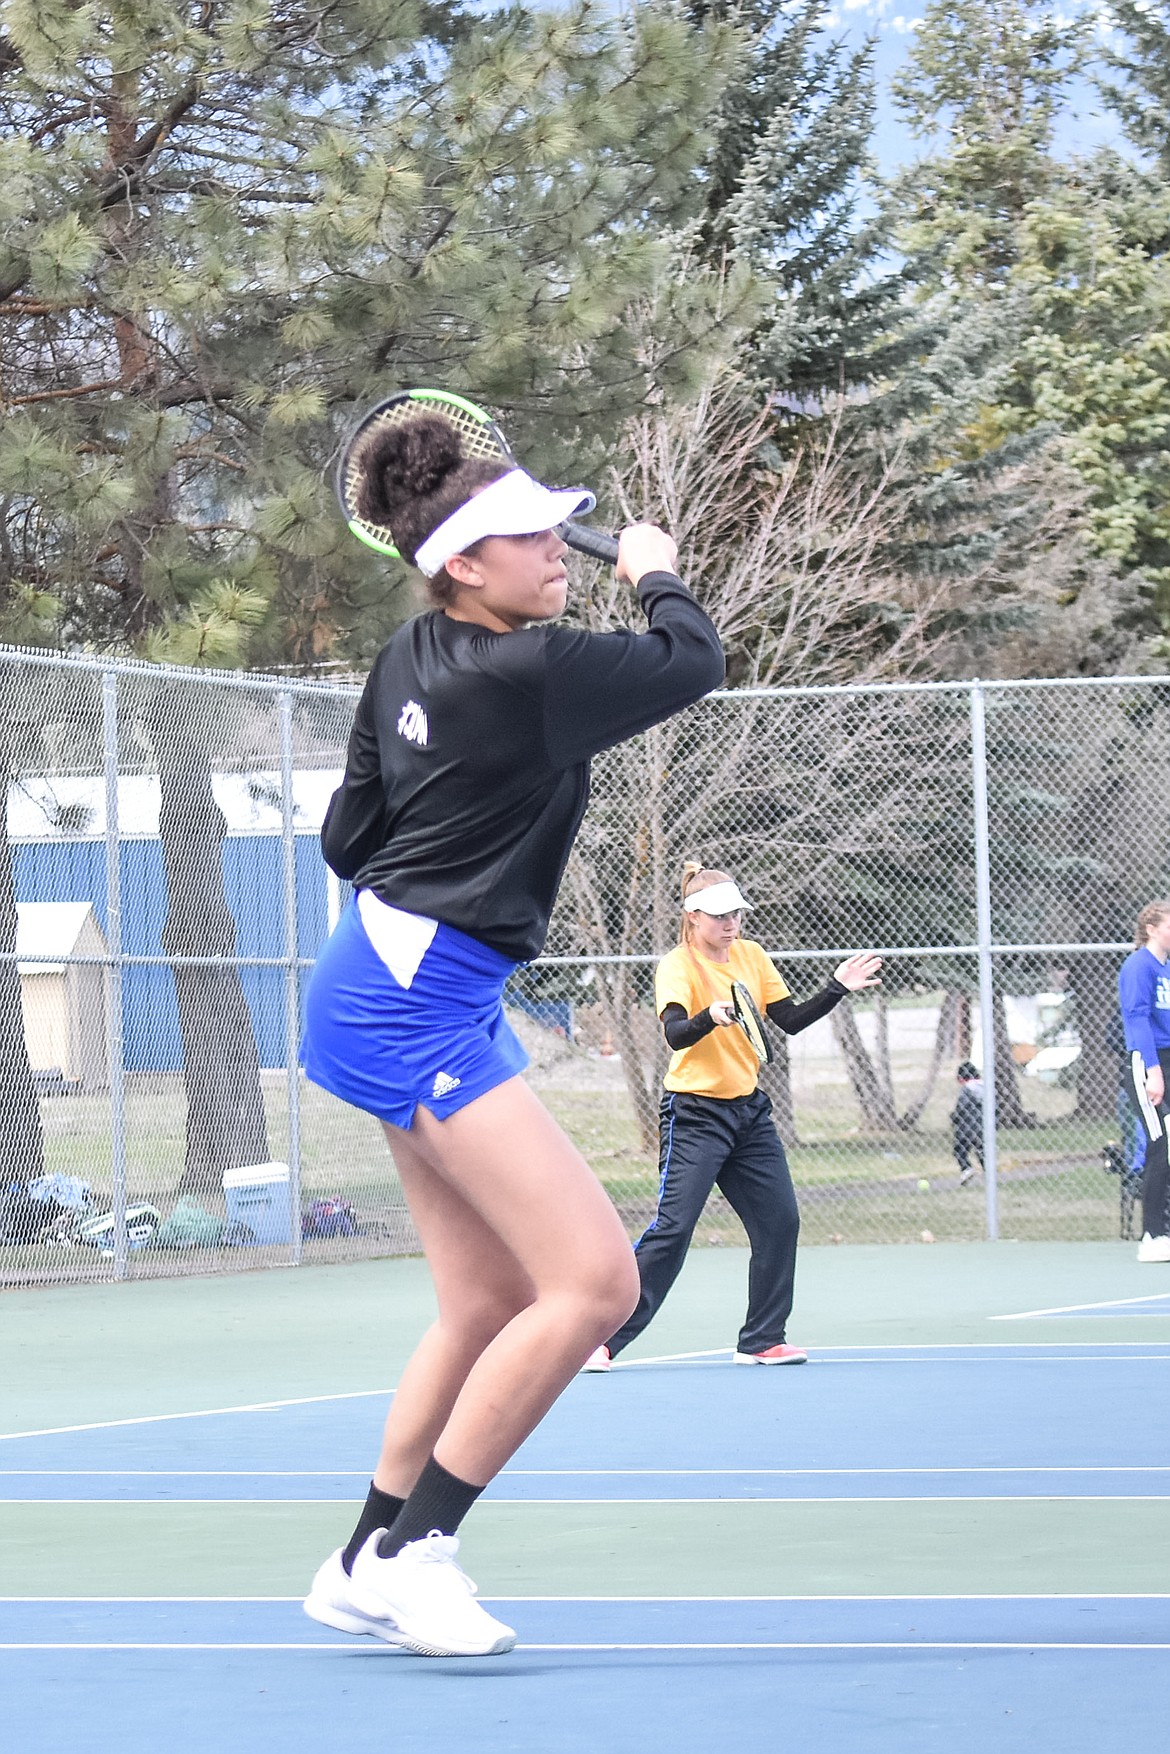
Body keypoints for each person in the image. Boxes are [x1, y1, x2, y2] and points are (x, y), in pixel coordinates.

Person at [296, 412, 723, 1657]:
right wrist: (650, 565)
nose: (557, 548)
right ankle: (424, 1551)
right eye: (530, 534)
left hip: (387, 965)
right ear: (465, 566)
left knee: (486, 1293)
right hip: (413, 992)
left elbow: (344, 839)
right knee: (596, 1282)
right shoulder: (534, 673)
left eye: (562, 526)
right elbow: (693, 659)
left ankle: (362, 1556)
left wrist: (449, 849)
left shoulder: (413, 654)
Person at [583, 863, 881, 1372]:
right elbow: (675, 1033)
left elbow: (787, 1021)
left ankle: (762, 1339)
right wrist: (711, 1017)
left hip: (748, 1113)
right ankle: (598, 1340)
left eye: (736, 914)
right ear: (694, 917)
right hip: (694, 1114)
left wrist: (837, 987)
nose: (731, 923)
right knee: (674, 1229)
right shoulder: (677, 965)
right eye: (720, 916)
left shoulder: (752, 956)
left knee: (779, 1221)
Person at [1118, 899, 1170, 1262]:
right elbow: (1136, 1020)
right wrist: (1154, 1072)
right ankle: (1152, 1235)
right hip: (1147, 1064)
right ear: (1152, 929)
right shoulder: (1139, 966)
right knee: (1160, 1143)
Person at [950, 1060, 984, 1186]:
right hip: (984, 1126)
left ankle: (966, 1168)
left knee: (959, 1150)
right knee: (982, 1150)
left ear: (961, 1078)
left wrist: (955, 1118)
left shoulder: (967, 1089)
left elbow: (962, 1108)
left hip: (968, 1127)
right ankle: (988, 1172)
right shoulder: (986, 1087)